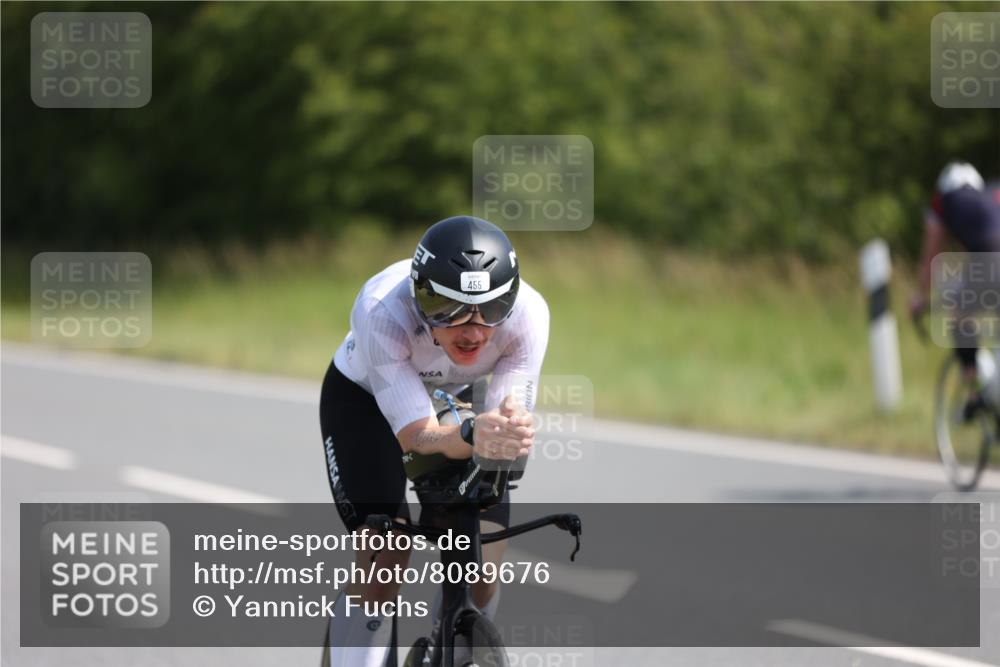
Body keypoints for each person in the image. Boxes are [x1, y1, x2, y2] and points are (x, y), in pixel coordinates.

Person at [319, 215, 549, 666]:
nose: (474, 330)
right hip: (366, 400)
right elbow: (417, 435)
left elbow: (505, 414)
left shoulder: (528, 314)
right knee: (387, 550)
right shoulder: (382, 310)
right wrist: (474, 433)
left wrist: (509, 429)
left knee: (483, 563)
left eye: (491, 309)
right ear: (422, 298)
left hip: (456, 397)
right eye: (452, 309)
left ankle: (454, 646)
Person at [910, 161, 1000, 418]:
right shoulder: (991, 194)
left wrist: (921, 296)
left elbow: (932, 255)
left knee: (959, 314)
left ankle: (974, 391)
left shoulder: (943, 201)